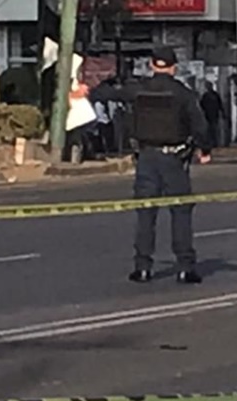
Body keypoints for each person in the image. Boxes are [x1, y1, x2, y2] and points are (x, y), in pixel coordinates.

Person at [91, 46, 212, 285]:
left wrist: (103, 81)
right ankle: (185, 267)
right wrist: (204, 150)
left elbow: (103, 94)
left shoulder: (139, 90)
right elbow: (200, 126)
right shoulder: (183, 94)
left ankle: (143, 267)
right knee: (180, 212)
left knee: (146, 214)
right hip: (174, 159)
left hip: (146, 157)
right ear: (174, 67)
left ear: (152, 65)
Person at [200, 82, 226, 148]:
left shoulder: (207, 96)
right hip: (211, 116)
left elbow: (201, 106)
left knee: (211, 130)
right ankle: (213, 142)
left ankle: (213, 143)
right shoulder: (213, 95)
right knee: (212, 130)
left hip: (210, 116)